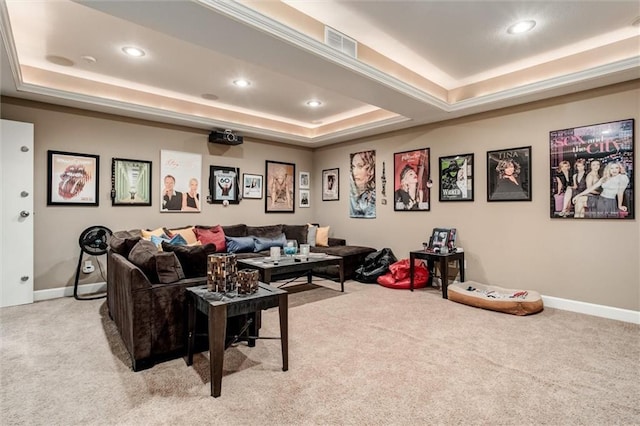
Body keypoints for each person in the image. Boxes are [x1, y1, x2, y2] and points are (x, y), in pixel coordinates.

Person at [350, 151, 376, 218]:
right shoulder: (356, 196)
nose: (354, 172)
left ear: (371, 170)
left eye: (360, 166)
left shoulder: (375, 195)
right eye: (353, 167)